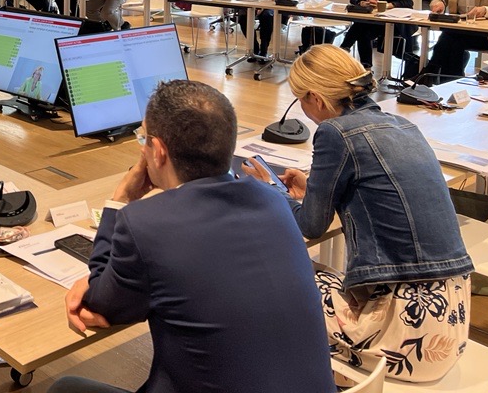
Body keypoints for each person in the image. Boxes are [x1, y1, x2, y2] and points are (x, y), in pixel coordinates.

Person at [52, 80, 335, 393]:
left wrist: (120, 201)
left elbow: (104, 305)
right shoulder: (272, 200)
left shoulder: (145, 224)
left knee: (64, 387)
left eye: (144, 139)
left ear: (159, 151)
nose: (142, 148)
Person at [251, 45, 472, 381]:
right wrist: (314, 190)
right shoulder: (402, 125)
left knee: (265, 276)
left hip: (403, 332)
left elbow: (310, 225)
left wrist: (269, 190)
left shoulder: (334, 132)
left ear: (316, 98)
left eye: (300, 100)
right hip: (451, 317)